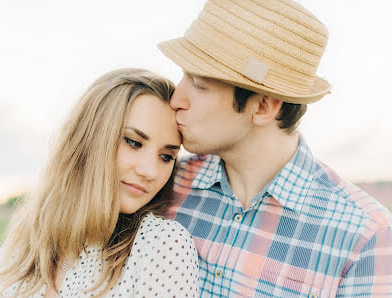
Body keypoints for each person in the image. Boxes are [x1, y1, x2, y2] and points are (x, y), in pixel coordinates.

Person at [157, 0, 392, 297]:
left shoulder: (364, 235)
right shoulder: (162, 183)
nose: (176, 99)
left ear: (264, 107)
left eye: (199, 84)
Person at [0, 68, 199, 297]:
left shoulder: (162, 244)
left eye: (167, 157)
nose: (150, 171)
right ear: (91, 137)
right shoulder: (21, 242)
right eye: (134, 142)